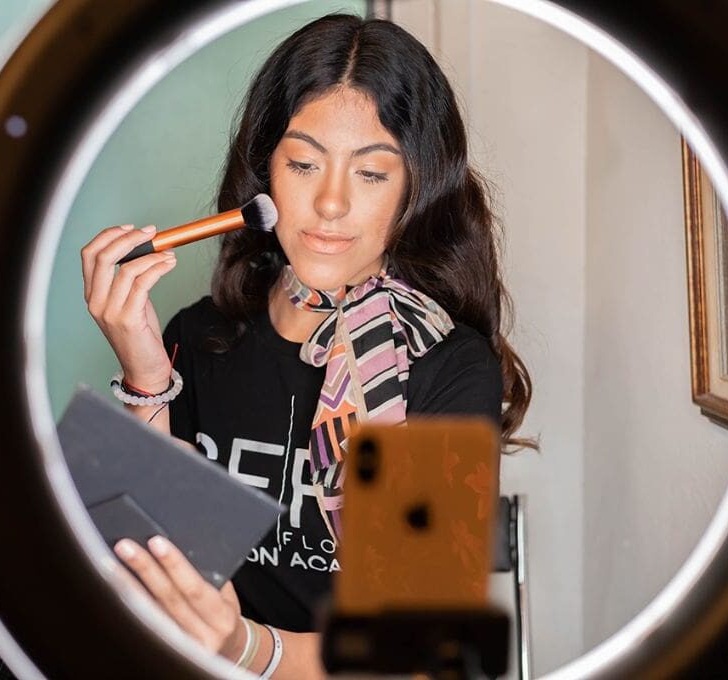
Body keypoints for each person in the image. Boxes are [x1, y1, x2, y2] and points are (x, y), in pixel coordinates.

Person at [80, 13, 533, 679]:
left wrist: (246, 648)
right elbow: (168, 571)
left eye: (371, 174)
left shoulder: (450, 367)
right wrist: (146, 374)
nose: (329, 202)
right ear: (264, 171)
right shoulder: (200, 336)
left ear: (415, 187)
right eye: (302, 163)